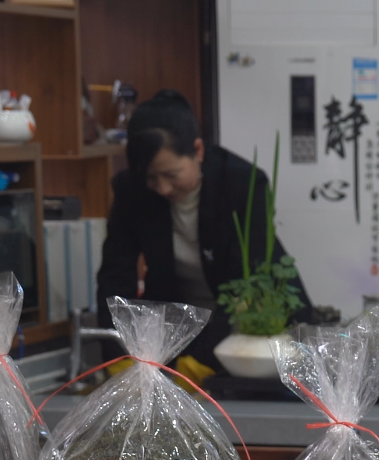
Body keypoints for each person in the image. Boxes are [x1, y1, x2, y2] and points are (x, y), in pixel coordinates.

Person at [96, 90, 300, 373]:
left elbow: (247, 281)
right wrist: (117, 354)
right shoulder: (132, 191)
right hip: (176, 325)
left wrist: (203, 358)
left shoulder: (242, 184)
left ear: (198, 150)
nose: (162, 188)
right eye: (151, 177)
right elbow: (115, 277)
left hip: (244, 332)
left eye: (171, 175)